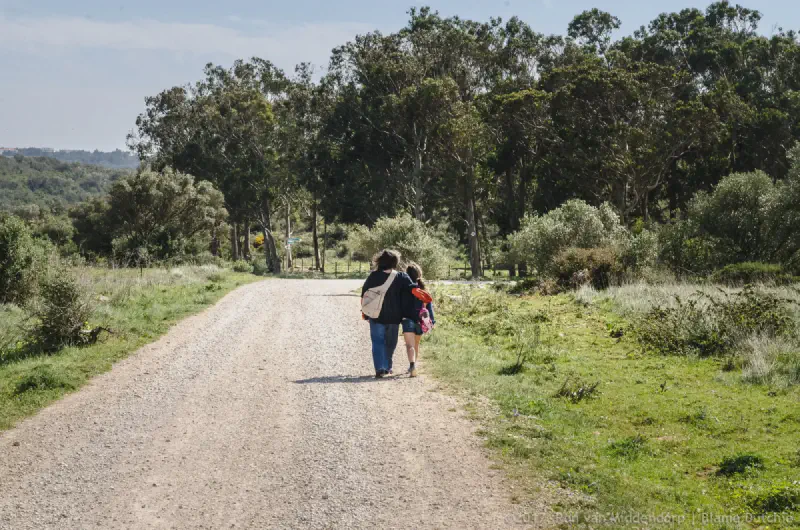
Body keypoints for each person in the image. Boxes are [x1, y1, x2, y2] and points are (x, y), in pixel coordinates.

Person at [361, 249, 416, 378]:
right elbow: (412, 292)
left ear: (380, 261)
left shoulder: (373, 276)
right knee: (390, 343)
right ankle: (387, 367)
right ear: (395, 262)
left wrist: (365, 312)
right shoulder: (401, 277)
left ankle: (380, 368)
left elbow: (364, 294)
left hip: (376, 315)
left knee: (377, 342)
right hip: (394, 317)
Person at [400, 262, 435, 377]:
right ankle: (414, 365)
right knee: (416, 344)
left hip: (407, 320)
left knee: (409, 345)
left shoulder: (404, 289)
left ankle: (412, 366)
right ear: (419, 274)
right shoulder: (423, 290)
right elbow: (429, 307)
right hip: (421, 321)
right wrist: (432, 321)